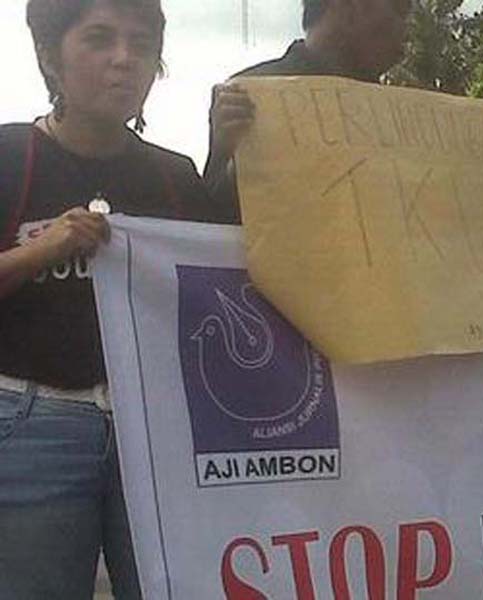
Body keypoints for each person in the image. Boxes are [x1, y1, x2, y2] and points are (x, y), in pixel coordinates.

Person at [0, 1, 229, 597]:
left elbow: (231, 277)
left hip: (156, 432)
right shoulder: (6, 156)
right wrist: (38, 252)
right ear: (51, 54)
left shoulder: (176, 178)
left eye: (142, 42)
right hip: (30, 426)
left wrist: (229, 149)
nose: (124, 59)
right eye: (99, 39)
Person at [203, 0, 412, 214]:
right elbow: (208, 223)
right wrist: (230, 159)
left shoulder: (406, 116)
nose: (407, 32)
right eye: (399, 10)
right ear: (348, 6)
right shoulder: (247, 94)